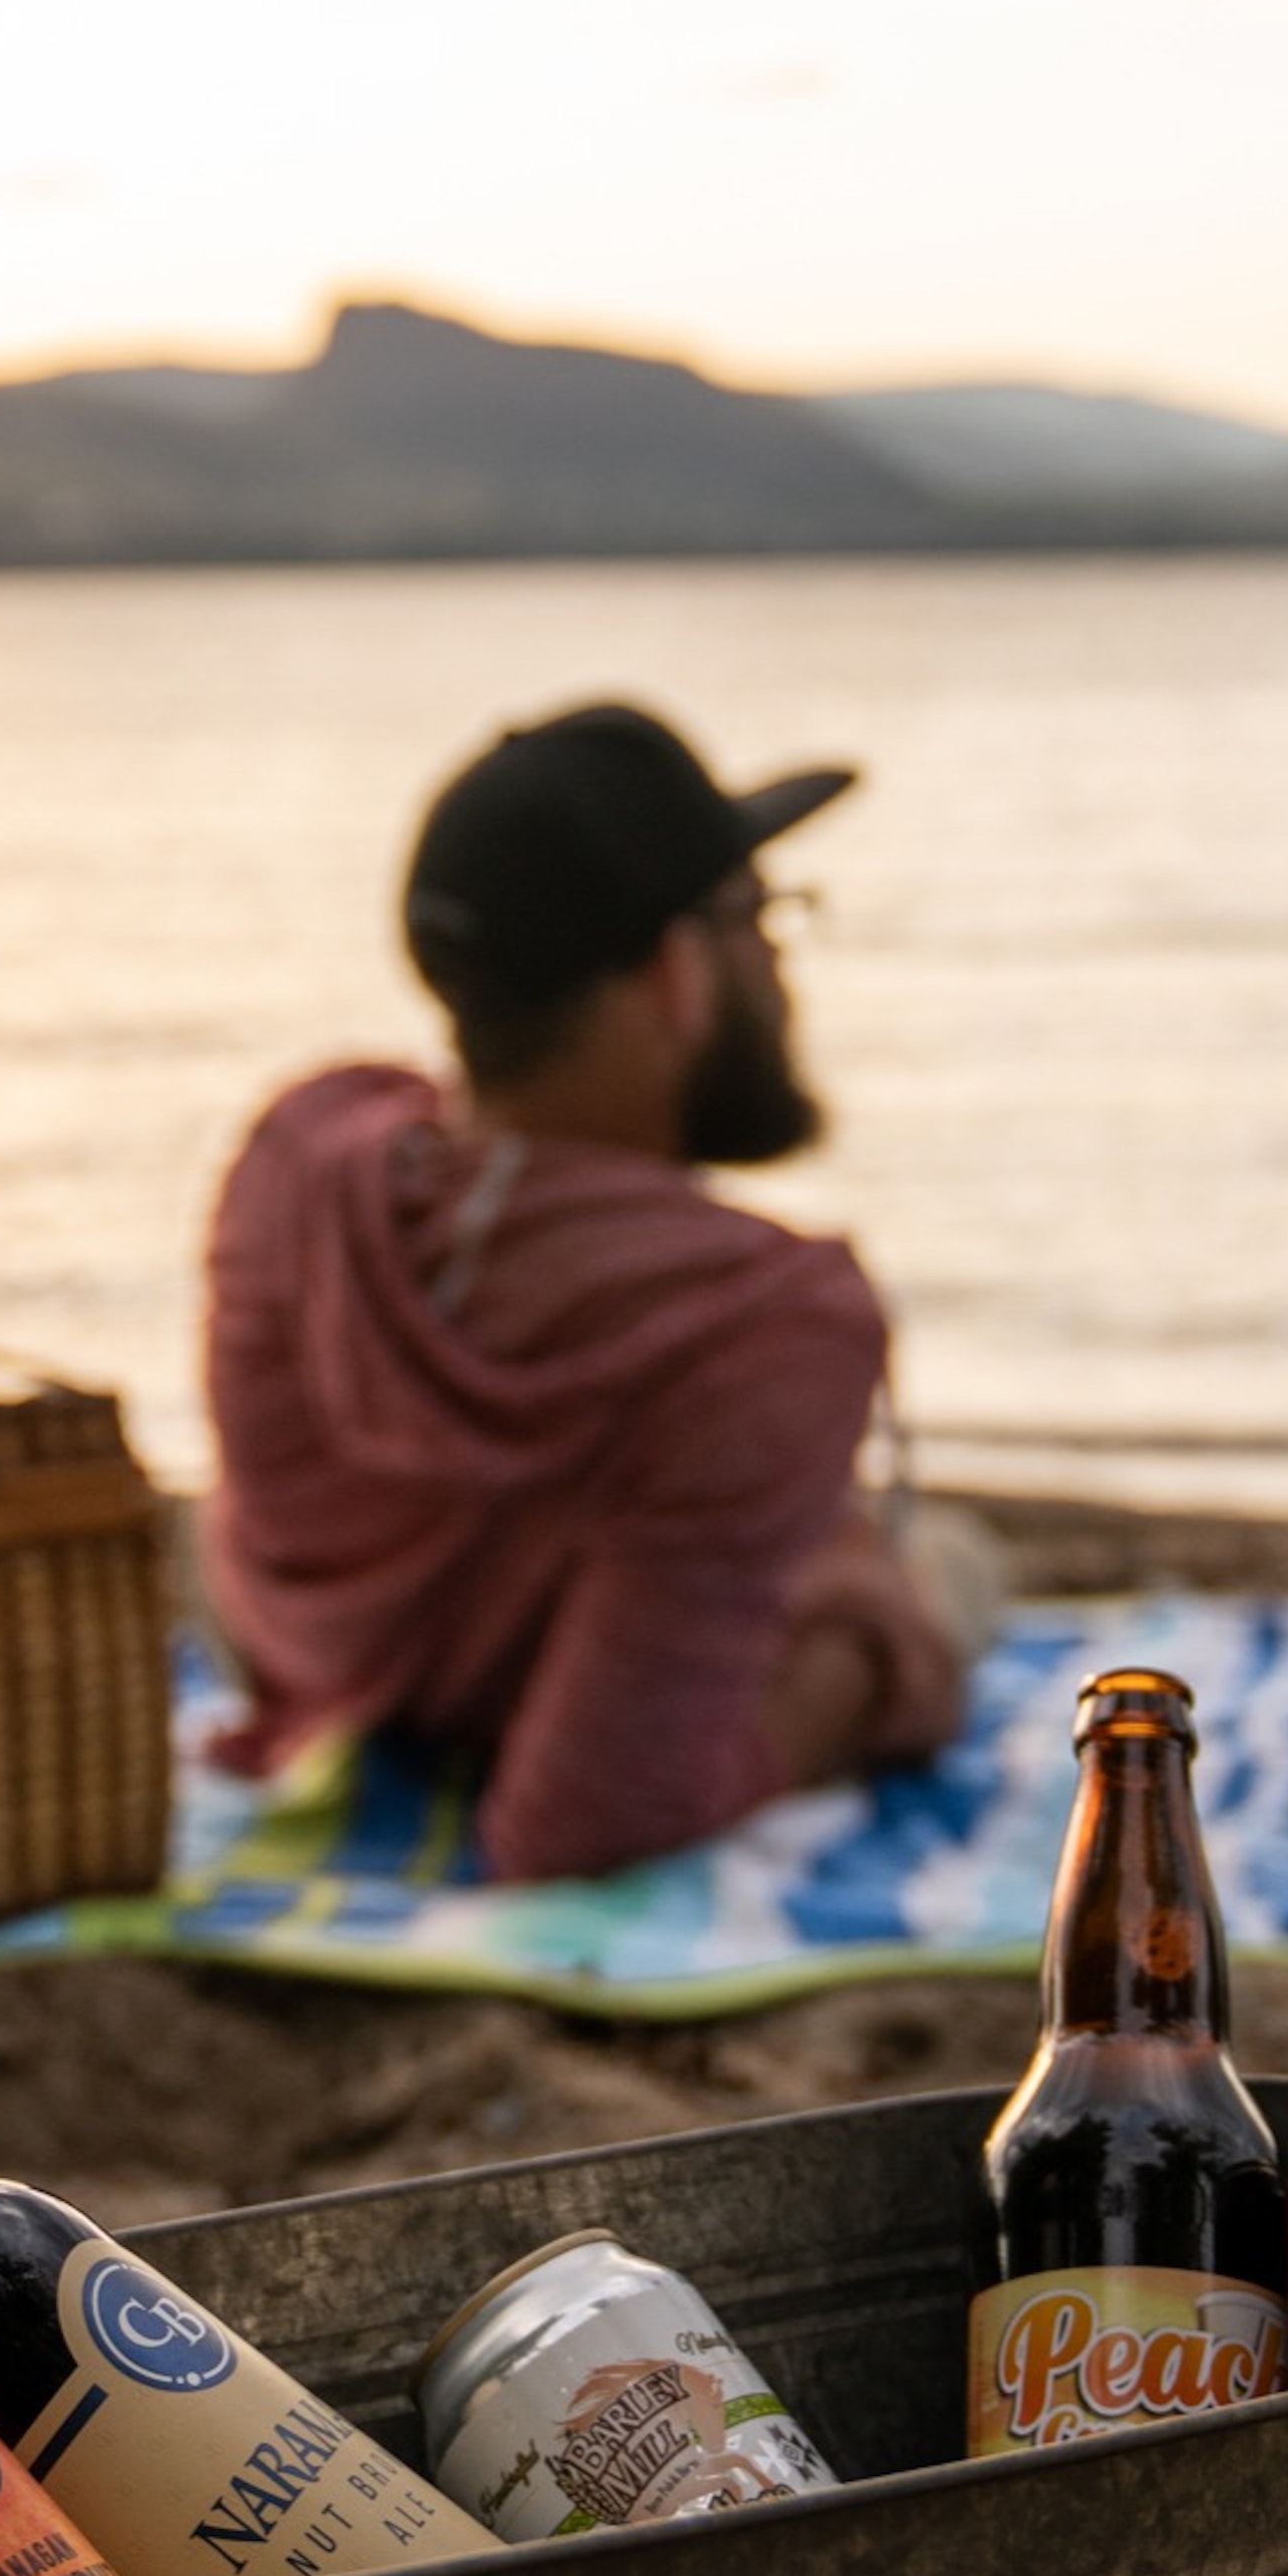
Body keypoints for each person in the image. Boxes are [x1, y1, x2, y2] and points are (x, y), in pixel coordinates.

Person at [197, 700, 978, 1883]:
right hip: (540, 1697)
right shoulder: (761, 1321)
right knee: (949, 1574)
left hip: (326, 1673)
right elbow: (586, 1820)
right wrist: (877, 1662)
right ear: (674, 972)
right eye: (757, 917)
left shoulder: (299, 1159)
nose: (774, 957)